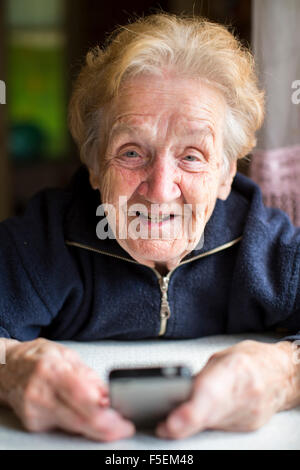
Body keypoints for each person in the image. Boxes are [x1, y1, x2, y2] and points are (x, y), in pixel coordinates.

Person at [0, 13, 299, 442]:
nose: (159, 192)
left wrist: (285, 374)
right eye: (132, 152)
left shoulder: (267, 247)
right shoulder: (44, 241)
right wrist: (9, 370)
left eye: (192, 155)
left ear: (226, 173)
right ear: (95, 165)